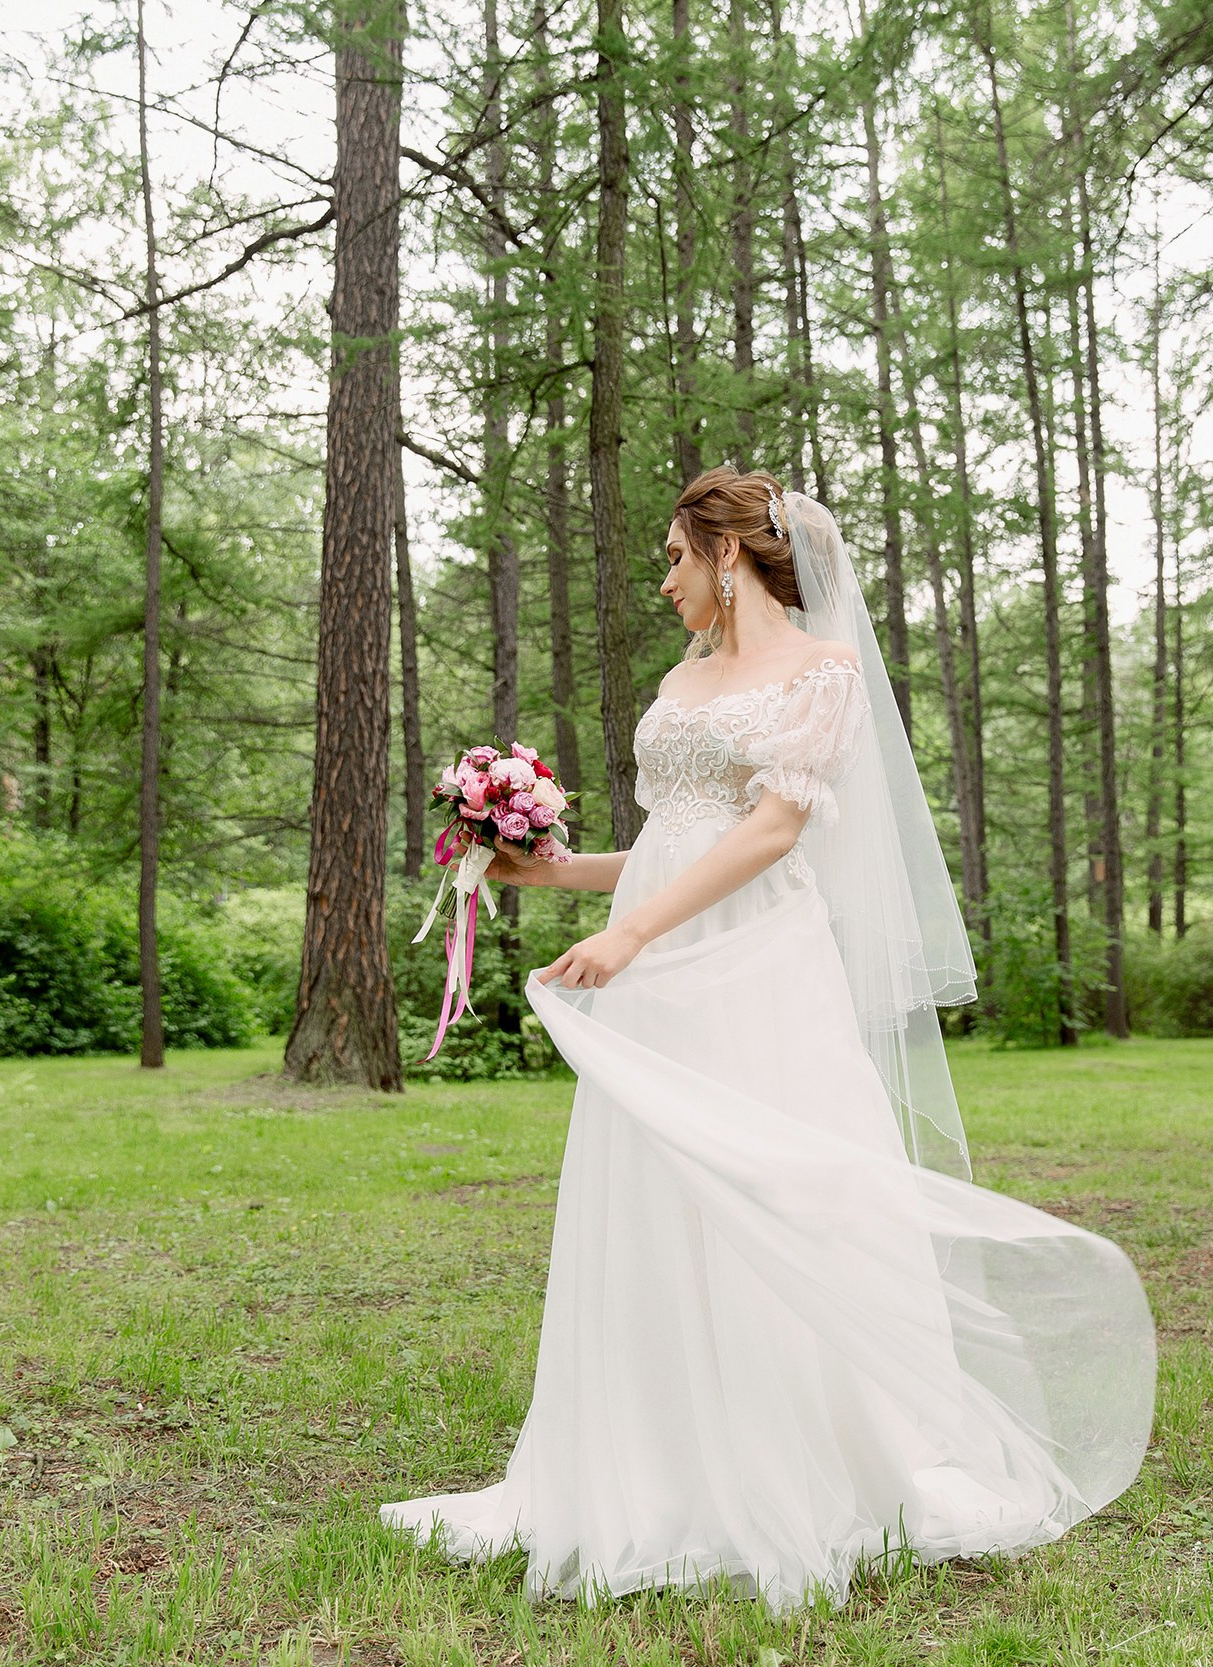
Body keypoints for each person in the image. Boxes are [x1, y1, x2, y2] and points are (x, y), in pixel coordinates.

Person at [381, 466, 1155, 1612]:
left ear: (729, 554)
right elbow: (670, 840)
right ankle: (651, 1456)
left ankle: (800, 1463)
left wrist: (629, 931)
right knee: (655, 1190)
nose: (665, 580)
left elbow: (770, 830)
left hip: (751, 966)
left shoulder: (823, 674)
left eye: (676, 556)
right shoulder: (683, 677)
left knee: (777, 1188)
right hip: (662, 962)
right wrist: (549, 873)